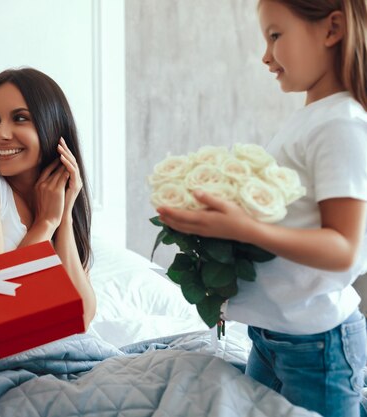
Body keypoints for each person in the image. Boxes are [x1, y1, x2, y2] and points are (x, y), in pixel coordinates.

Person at [156, 1, 367, 416]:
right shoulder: (311, 117)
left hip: (316, 346)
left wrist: (245, 229)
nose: (266, 55)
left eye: (275, 36)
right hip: (272, 337)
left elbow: (345, 249)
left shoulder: (341, 122)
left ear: (332, 29)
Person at [0, 68, 96, 328]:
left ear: (53, 125)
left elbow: (81, 316)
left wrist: (64, 217)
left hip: (54, 355)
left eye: (20, 118)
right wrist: (44, 225)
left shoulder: (57, 206)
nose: (0, 133)